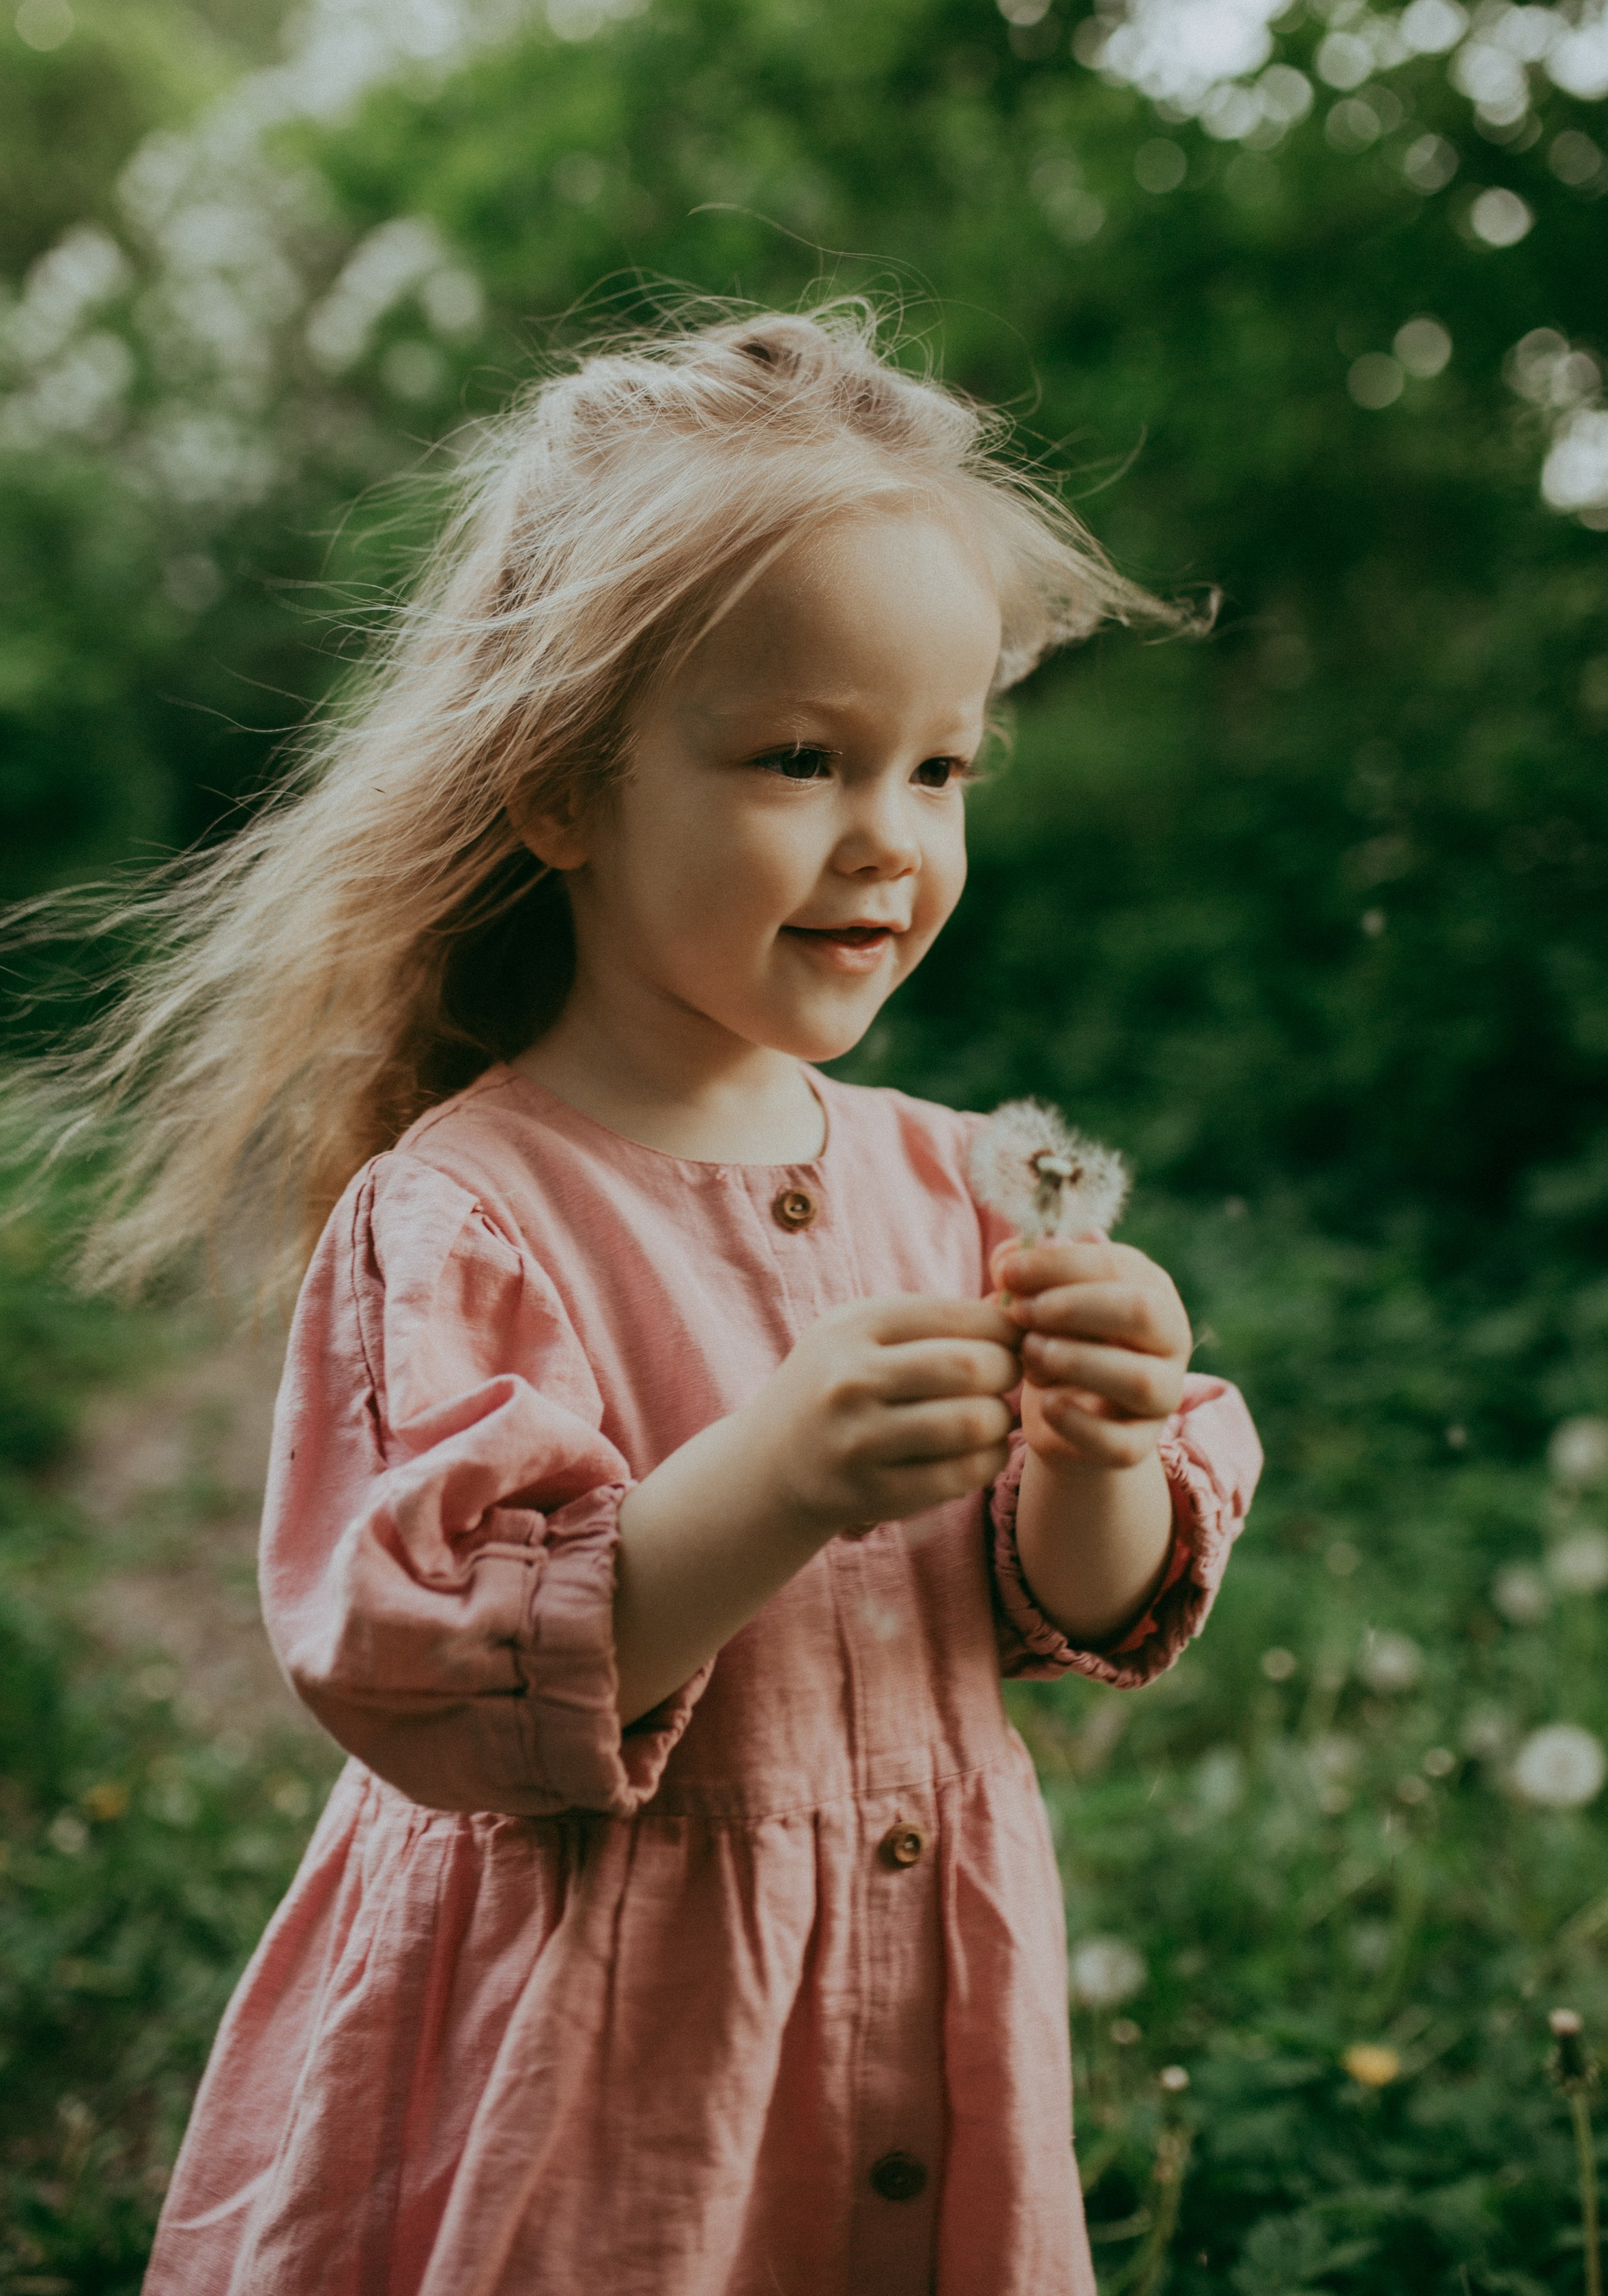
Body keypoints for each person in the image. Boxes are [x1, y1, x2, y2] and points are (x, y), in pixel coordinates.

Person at [108, 307, 1261, 2295]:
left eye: (941, 765)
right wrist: (777, 1478)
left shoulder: (962, 1183)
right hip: (587, 2072)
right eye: (802, 759)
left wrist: (1106, 1444)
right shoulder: (469, 1212)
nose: (890, 839)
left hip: (907, 2026)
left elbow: (1072, 1613)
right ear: (563, 787)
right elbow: (431, 1675)